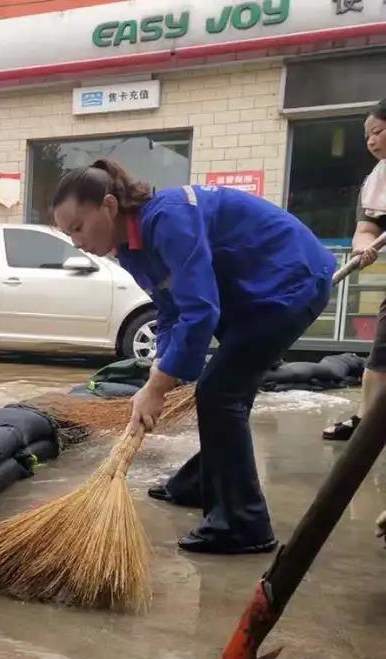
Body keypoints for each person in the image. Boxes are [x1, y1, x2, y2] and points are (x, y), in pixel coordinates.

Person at [53, 159, 335, 555]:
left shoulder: (169, 219)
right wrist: (159, 374)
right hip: (250, 294)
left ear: (110, 206)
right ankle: (202, 482)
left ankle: (243, 523)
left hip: (288, 283)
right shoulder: (133, 250)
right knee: (224, 389)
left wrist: (156, 387)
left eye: (78, 227)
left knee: (221, 393)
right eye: (67, 234)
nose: (77, 241)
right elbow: (172, 312)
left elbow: (201, 311)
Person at [323, 99, 386, 441]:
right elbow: (366, 229)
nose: (370, 141)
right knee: (382, 351)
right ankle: (366, 419)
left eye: (376, 131)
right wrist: (363, 246)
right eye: (366, 136)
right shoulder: (377, 182)